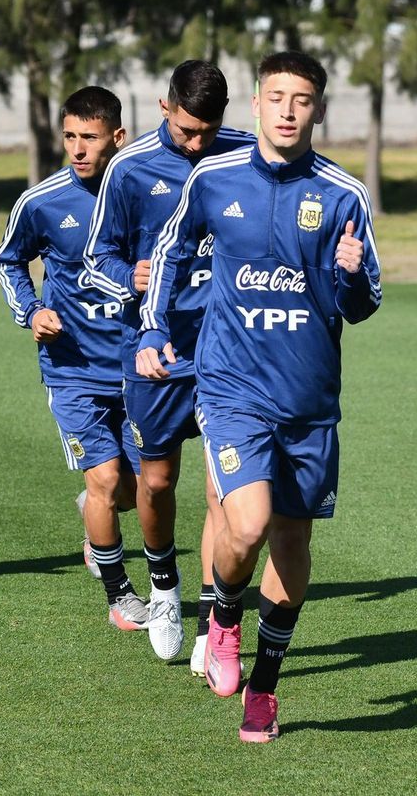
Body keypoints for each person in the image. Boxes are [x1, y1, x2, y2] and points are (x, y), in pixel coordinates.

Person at [137, 51, 381, 742]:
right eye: (276, 96)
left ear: (317, 110)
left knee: (293, 539)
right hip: (231, 386)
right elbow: (173, 248)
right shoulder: (214, 177)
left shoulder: (343, 194)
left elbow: (363, 304)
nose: (287, 110)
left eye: (301, 99)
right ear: (256, 103)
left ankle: (266, 688)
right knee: (244, 524)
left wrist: (353, 279)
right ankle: (222, 619)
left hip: (308, 399)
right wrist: (153, 327)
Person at [84, 60, 256, 663]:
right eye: (186, 130)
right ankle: (163, 586)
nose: (197, 143)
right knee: (156, 481)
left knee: (220, 492)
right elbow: (95, 257)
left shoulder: (245, 156)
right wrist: (126, 277)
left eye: (208, 131)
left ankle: (213, 618)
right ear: (164, 109)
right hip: (156, 351)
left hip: (229, 353)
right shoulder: (128, 170)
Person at [0, 87, 149, 630]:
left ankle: (94, 515)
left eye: (90, 137)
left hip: (136, 366)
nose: (78, 149)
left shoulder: (147, 194)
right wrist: (32, 311)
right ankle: (120, 593)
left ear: (118, 138)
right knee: (107, 481)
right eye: (70, 137)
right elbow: (8, 261)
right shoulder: (42, 202)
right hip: (73, 369)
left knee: (134, 491)